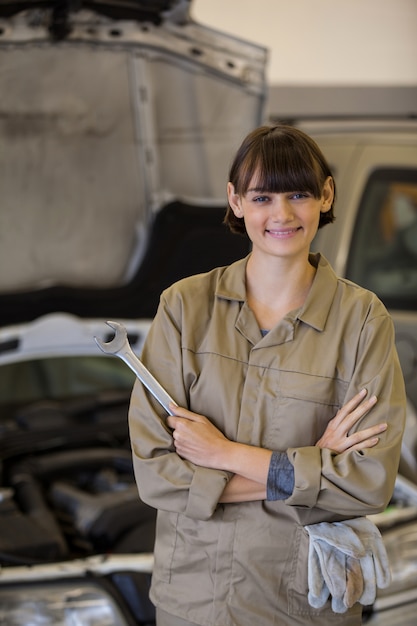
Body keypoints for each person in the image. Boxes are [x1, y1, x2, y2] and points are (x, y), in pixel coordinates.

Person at [128, 125, 406, 626]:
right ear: (236, 202)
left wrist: (224, 455)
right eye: (262, 196)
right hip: (195, 600)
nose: (281, 214)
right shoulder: (184, 308)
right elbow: (156, 476)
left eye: (298, 193)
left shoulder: (363, 320)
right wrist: (316, 466)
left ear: (326, 195)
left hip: (305, 602)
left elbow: (367, 483)